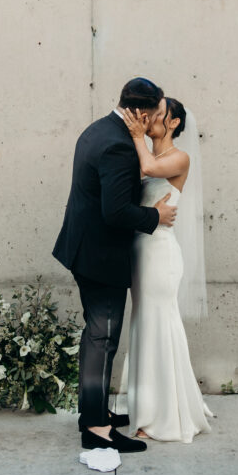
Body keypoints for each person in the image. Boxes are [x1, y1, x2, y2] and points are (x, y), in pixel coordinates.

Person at [53, 77, 177, 453]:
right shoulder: (118, 147)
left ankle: (94, 410)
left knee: (95, 336)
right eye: (155, 114)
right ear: (140, 112)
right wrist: (154, 216)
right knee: (102, 337)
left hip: (83, 247)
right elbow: (116, 211)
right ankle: (95, 429)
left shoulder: (98, 129)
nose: (156, 120)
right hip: (99, 256)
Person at [117, 97, 214, 442]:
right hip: (139, 253)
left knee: (160, 324)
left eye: (157, 115)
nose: (149, 119)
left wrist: (134, 136)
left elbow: (146, 169)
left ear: (173, 123)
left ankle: (165, 415)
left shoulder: (178, 158)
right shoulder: (151, 155)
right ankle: (145, 411)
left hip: (160, 254)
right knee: (143, 325)